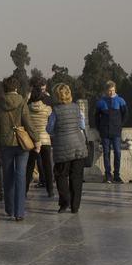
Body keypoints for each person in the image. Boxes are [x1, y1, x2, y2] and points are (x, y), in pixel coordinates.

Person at [0, 76, 40, 221]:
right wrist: (36, 139)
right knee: (20, 176)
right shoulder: (22, 102)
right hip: (21, 144)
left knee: (8, 176)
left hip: (5, 144)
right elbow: (28, 122)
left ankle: (9, 208)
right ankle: (19, 212)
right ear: (16, 88)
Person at [47, 83, 87, 213]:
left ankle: (65, 202)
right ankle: (75, 206)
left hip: (62, 148)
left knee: (61, 175)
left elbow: (50, 129)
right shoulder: (77, 108)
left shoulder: (55, 111)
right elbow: (82, 125)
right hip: (79, 146)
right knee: (76, 177)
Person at [95, 80, 128, 183]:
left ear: (115, 89)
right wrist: (99, 128)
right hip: (105, 132)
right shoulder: (100, 102)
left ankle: (117, 175)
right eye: (109, 91)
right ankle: (108, 175)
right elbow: (96, 117)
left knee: (118, 152)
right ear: (106, 90)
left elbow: (125, 114)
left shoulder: (121, 101)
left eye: (113, 90)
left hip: (116, 132)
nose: (111, 93)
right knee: (106, 153)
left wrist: (120, 125)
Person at [25, 84, 54, 198]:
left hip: (32, 140)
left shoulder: (27, 109)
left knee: (30, 165)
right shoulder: (48, 109)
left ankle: (25, 190)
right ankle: (50, 190)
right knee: (47, 165)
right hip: (45, 139)